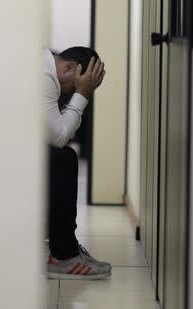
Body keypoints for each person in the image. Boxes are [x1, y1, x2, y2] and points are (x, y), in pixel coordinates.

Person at [44, 46, 111, 280]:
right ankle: (63, 256)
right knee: (63, 159)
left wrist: (80, 89)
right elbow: (60, 136)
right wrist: (82, 94)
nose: (68, 95)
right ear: (69, 68)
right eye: (73, 87)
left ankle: (63, 248)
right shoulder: (45, 75)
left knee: (61, 157)